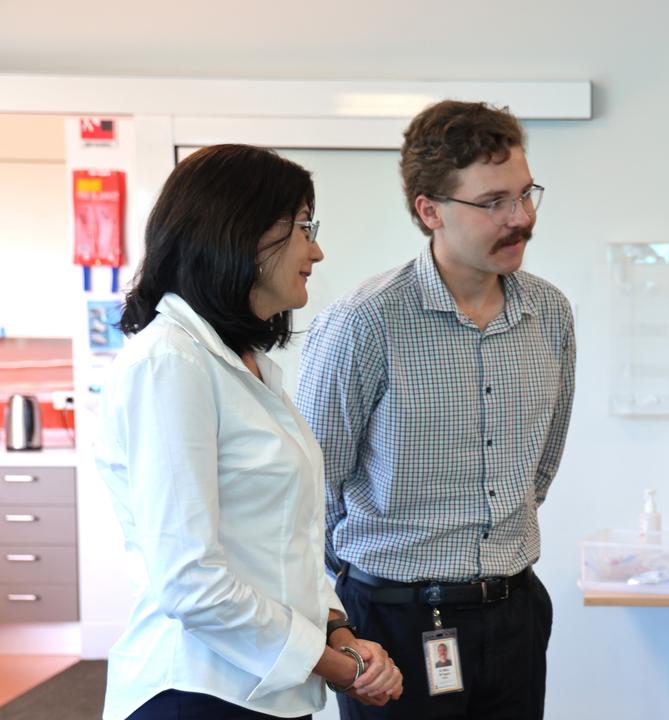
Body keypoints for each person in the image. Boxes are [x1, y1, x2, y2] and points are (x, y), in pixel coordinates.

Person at [97, 144, 403, 720]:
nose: (317, 250)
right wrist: (338, 666)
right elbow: (191, 580)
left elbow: (287, 544)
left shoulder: (241, 364)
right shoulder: (170, 362)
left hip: (265, 689)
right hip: (196, 692)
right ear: (240, 232)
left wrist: (339, 633)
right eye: (305, 227)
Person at [296, 100, 575, 720]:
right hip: (393, 618)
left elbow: (540, 468)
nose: (521, 217)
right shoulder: (362, 324)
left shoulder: (550, 315)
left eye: (526, 195)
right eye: (494, 202)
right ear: (430, 210)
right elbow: (310, 490)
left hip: (515, 611)